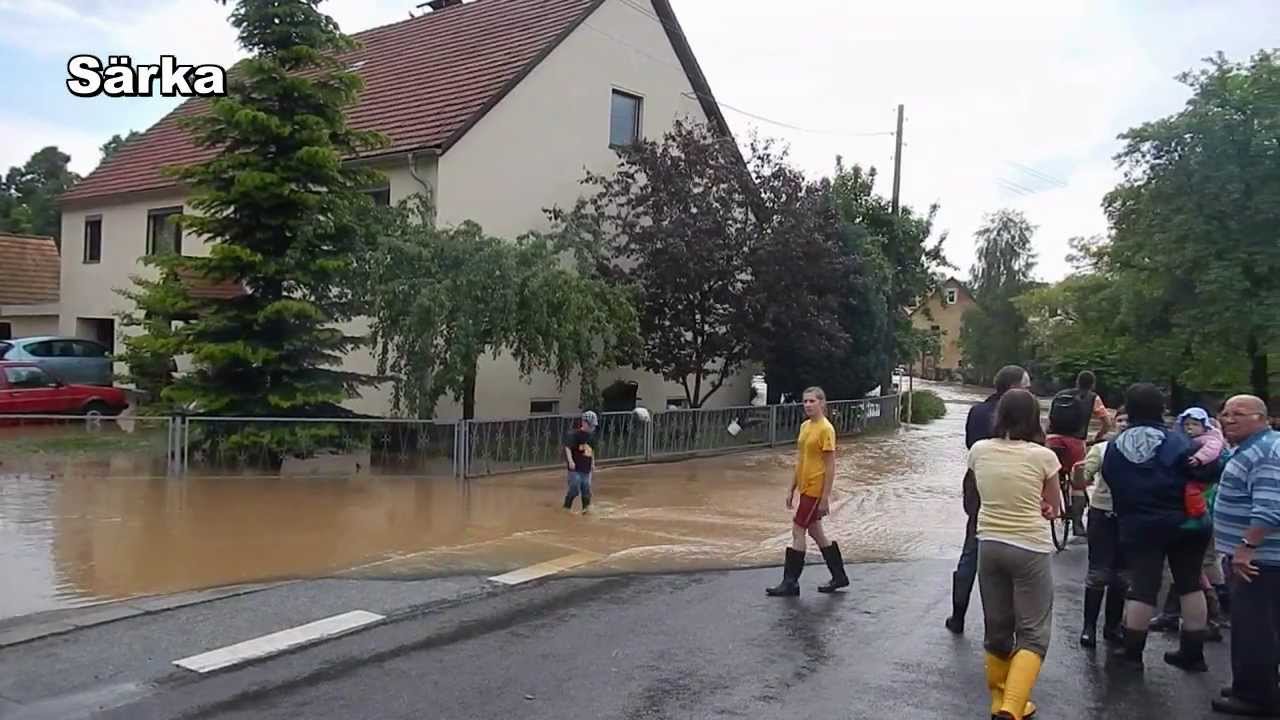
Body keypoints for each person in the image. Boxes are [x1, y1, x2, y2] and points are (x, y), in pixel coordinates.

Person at [1104, 383, 1212, 672]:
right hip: (1187, 523)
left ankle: (1132, 654)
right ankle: (1193, 653)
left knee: (1143, 586)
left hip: (1140, 524)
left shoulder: (1116, 445)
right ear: (1162, 409)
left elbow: (1112, 480)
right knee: (1189, 583)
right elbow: (1202, 472)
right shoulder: (1178, 441)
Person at [971, 388, 1062, 720]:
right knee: (1033, 633)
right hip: (1029, 548)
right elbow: (1054, 509)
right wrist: (1044, 505)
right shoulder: (1043, 456)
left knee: (997, 627)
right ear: (1034, 417)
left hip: (989, 544)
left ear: (1000, 415)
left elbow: (977, 491)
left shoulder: (979, 450)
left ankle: (999, 702)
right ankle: (1012, 707)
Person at [945, 364, 1031, 634]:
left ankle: (958, 615)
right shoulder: (1025, 417)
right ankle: (1002, 624)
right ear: (1014, 388)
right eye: (1026, 387)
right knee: (1011, 549)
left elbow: (971, 446)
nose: (1030, 391)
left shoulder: (977, 411)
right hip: (1013, 487)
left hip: (977, 483)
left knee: (972, 546)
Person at [1211, 395, 1280, 717]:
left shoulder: (1266, 453)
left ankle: (1254, 695)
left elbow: (1270, 507)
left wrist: (1246, 548)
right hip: (1259, 557)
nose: (1228, 419)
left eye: (1238, 414)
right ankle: (1252, 682)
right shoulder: (1253, 447)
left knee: (1255, 627)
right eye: (1225, 413)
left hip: (1260, 559)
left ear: (1261, 418)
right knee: (1256, 624)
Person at [766, 386, 849, 597]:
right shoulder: (805, 427)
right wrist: (791, 488)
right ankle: (839, 576)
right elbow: (801, 459)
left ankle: (790, 582)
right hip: (804, 486)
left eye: (812, 401)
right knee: (815, 532)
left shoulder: (825, 429)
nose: (808, 405)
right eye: (805, 401)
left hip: (815, 488)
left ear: (822, 403)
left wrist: (824, 498)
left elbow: (830, 466)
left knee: (798, 529)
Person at [1077, 410, 1129, 648]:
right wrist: (1081, 473)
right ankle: (1089, 627)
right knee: (1098, 572)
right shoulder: (1102, 449)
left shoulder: (1143, 451)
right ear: (1113, 424)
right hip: (1102, 513)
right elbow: (1085, 477)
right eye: (1120, 420)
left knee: (1121, 576)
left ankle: (1112, 626)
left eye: (1129, 420)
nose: (1124, 424)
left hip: (1129, 516)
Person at [1047, 370, 1113, 538]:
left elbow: (1050, 420)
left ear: (1076, 381)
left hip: (1053, 440)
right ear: (1093, 384)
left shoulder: (1060, 395)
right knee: (1078, 483)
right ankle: (1077, 523)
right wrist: (1098, 437)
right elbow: (1107, 422)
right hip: (1075, 443)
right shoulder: (1093, 398)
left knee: (1051, 473)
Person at [562, 411, 598, 512]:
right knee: (574, 489)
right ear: (584, 423)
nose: (592, 428)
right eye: (591, 426)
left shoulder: (592, 436)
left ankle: (586, 509)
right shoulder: (574, 434)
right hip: (575, 468)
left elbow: (591, 450)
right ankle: (566, 508)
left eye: (594, 426)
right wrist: (570, 461)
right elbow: (567, 447)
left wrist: (593, 463)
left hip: (586, 468)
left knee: (586, 489)